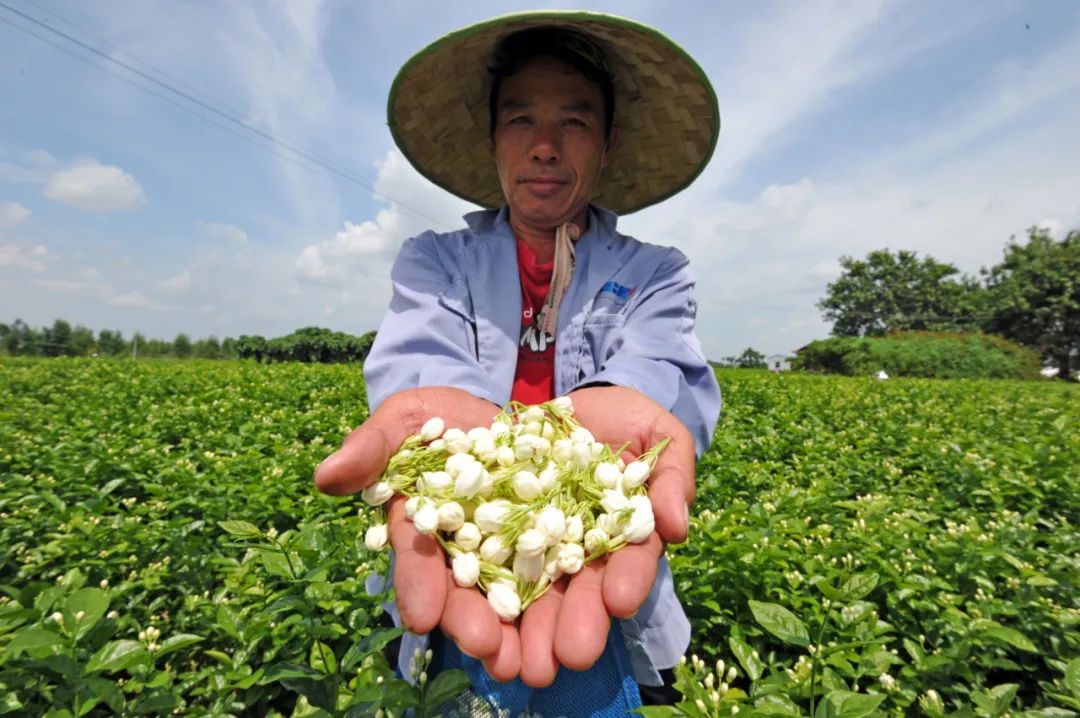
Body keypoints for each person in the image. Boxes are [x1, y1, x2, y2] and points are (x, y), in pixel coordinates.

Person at [315, 10, 721, 715]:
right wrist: (455, 433)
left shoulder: (656, 272)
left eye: (574, 121)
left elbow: (659, 375)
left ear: (608, 143)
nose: (543, 147)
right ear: (493, 139)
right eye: (519, 120)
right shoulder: (437, 261)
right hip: (453, 560)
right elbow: (420, 365)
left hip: (594, 563)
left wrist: (608, 424)